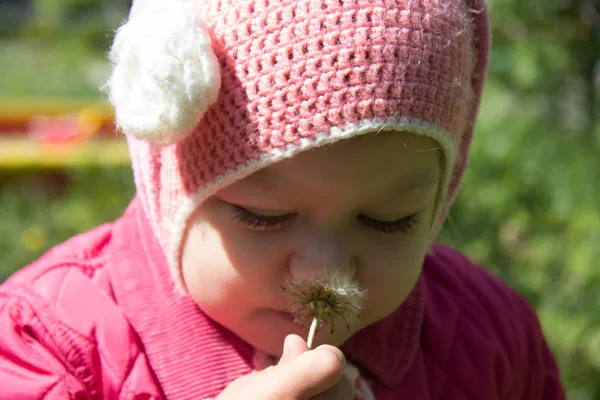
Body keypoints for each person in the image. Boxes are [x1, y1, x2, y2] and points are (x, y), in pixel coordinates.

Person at [0, 0, 566, 398]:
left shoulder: (488, 341)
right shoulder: (48, 348)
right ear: (173, 191)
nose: (326, 268)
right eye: (262, 216)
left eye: (388, 221)